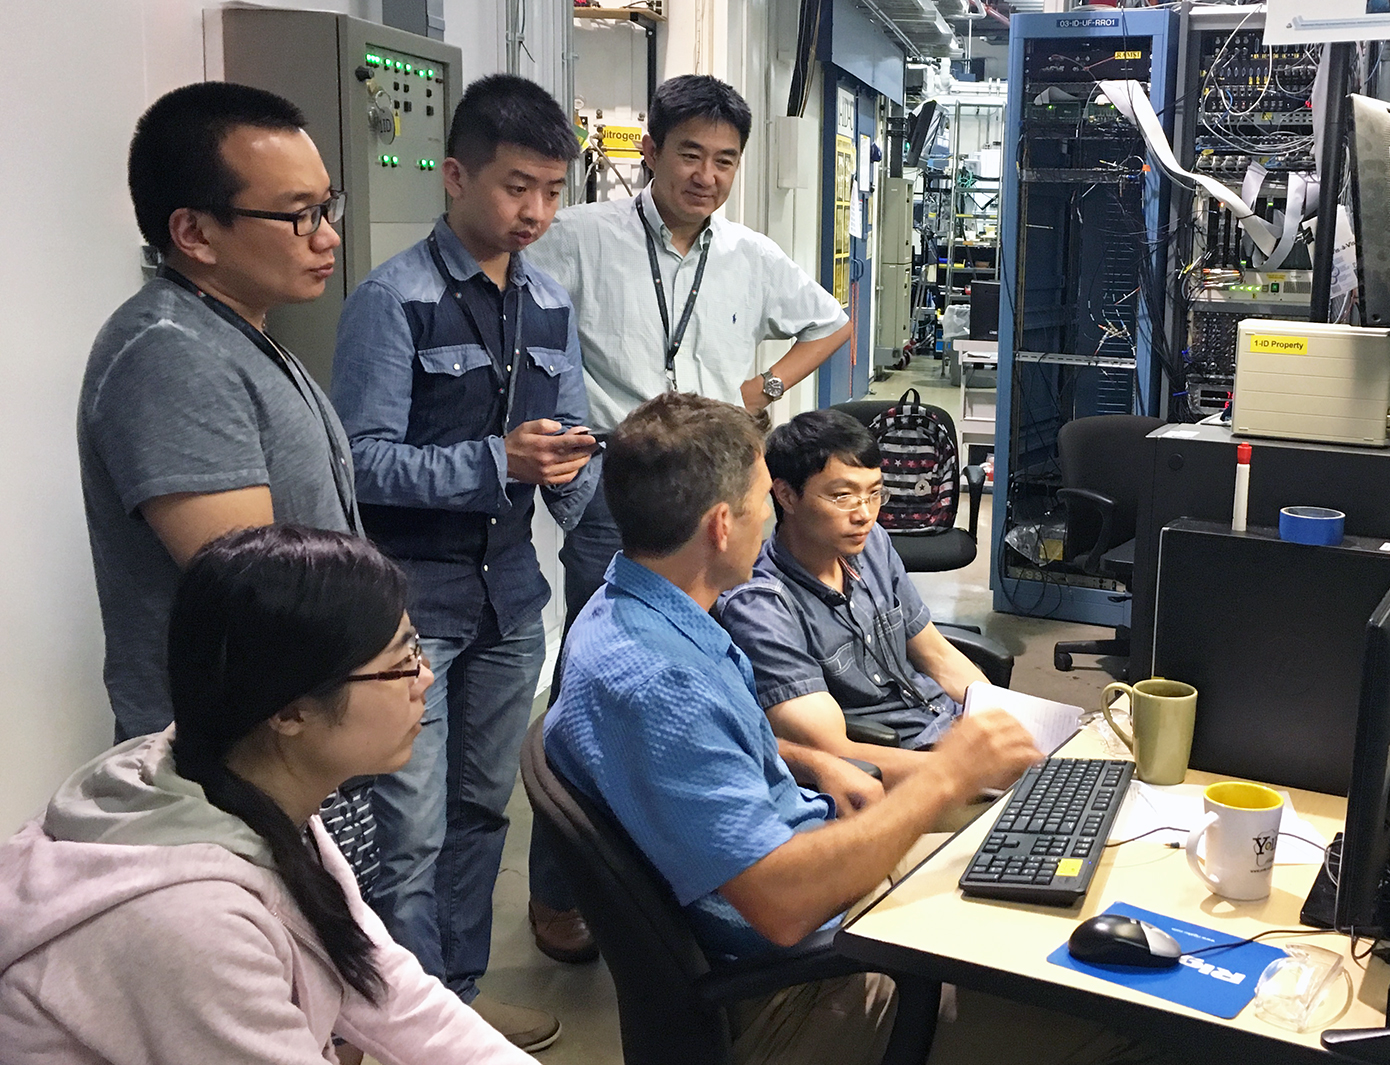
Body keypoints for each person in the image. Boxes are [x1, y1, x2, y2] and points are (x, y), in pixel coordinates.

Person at [544, 394, 1170, 1064]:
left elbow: (708, 747)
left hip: (826, 893)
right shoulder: (663, 682)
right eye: (762, 500)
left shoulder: (628, 615)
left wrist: (811, 762)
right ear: (722, 525)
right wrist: (945, 777)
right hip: (805, 989)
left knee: (1054, 883)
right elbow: (783, 904)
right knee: (1134, 1017)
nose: (770, 517)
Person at [0, 526, 541, 1065]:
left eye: (415, 648)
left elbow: (386, 987)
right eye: (400, 664)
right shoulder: (191, 923)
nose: (424, 679)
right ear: (288, 712)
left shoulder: (240, 788)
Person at [330, 74, 595, 1045]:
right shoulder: (391, 300)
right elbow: (360, 461)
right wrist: (498, 461)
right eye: (517, 186)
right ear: (455, 177)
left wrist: (612, 501)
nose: (537, 212)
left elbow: (568, 449)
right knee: (409, 830)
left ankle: (462, 1001)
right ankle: (411, 1032)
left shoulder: (549, 302)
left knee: (485, 810)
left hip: (509, 603)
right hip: (411, 609)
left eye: (553, 192)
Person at [79, 81, 380, 896]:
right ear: (194, 231)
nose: (327, 235)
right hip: (233, 772)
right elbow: (259, 585)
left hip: (292, 748)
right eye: (297, 216)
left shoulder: (240, 333)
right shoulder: (170, 355)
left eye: (326, 206)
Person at [526, 74, 854, 629]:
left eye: (725, 161)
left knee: (723, 630)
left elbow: (831, 324)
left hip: (720, 479)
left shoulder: (752, 255)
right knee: (605, 635)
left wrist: (764, 389)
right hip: (617, 481)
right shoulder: (576, 237)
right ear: (652, 151)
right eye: (691, 155)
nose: (707, 176)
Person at [719, 408, 988, 786]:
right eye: (843, 496)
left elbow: (937, 655)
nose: (865, 515)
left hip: (949, 727)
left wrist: (1003, 718)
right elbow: (832, 750)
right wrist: (972, 768)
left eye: (875, 494)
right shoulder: (762, 606)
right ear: (786, 496)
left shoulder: (871, 544)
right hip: (905, 768)